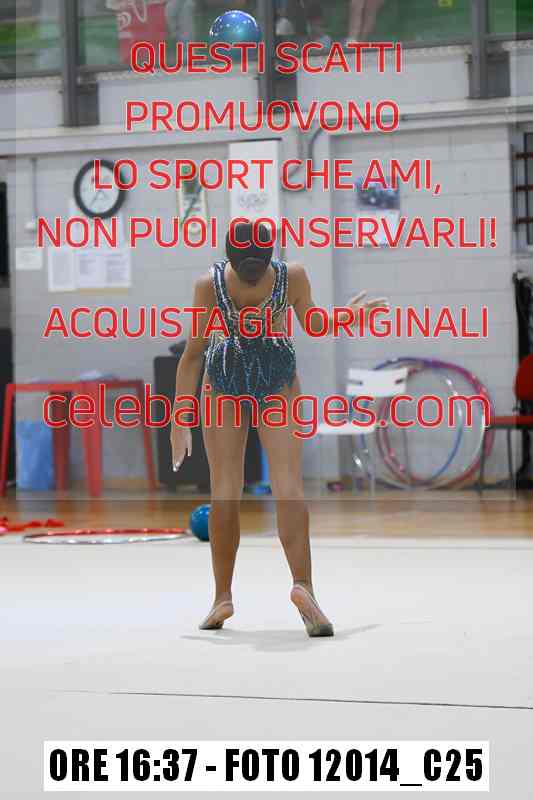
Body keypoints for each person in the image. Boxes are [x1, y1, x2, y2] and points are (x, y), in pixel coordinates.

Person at [170, 222, 388, 637]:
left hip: (225, 378)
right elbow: (315, 323)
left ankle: (222, 597)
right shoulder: (293, 276)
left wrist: (181, 418)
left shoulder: (208, 284)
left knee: (225, 489)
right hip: (275, 378)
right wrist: (347, 317)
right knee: (288, 485)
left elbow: (193, 354)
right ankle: (303, 586)